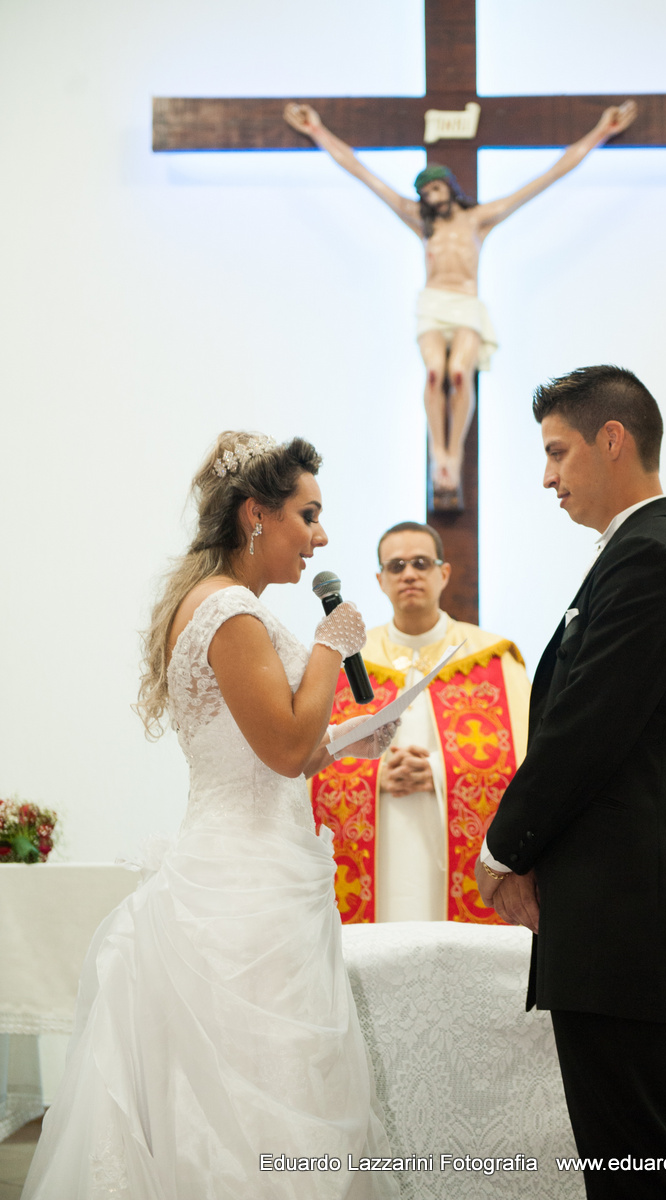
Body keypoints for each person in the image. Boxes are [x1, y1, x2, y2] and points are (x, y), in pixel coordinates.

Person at [22, 432, 400, 1200]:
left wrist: (353, 741)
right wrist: (331, 646)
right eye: (309, 514)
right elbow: (285, 750)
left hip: (250, 867)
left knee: (257, 1091)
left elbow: (271, 741)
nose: (321, 537)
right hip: (243, 895)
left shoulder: (226, 605)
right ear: (255, 515)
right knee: (255, 1096)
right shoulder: (229, 610)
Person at [475, 366, 666, 1200]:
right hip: (613, 910)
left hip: (620, 910)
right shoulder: (637, 553)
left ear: (610, 439)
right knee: (628, 1159)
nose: (546, 476)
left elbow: (585, 727)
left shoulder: (650, 559)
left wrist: (501, 848)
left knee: (635, 1163)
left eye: (557, 452)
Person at [283, 101, 637, 506]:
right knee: (435, 373)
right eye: (425, 193)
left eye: (435, 188)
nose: (431, 197)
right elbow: (363, 173)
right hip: (432, 305)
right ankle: (443, 456)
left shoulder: (478, 220)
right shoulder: (419, 222)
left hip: (466, 304)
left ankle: (456, 451)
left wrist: (600, 133)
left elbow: (548, 177)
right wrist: (317, 132)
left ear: (449, 186)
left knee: (457, 374)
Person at [311, 521, 530, 923]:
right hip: (381, 853)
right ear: (380, 580)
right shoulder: (347, 664)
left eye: (420, 563)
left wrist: (438, 770)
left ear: (443, 573)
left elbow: (525, 763)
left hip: (452, 861)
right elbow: (310, 762)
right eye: (396, 566)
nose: (408, 574)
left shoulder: (494, 659)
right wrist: (372, 779)